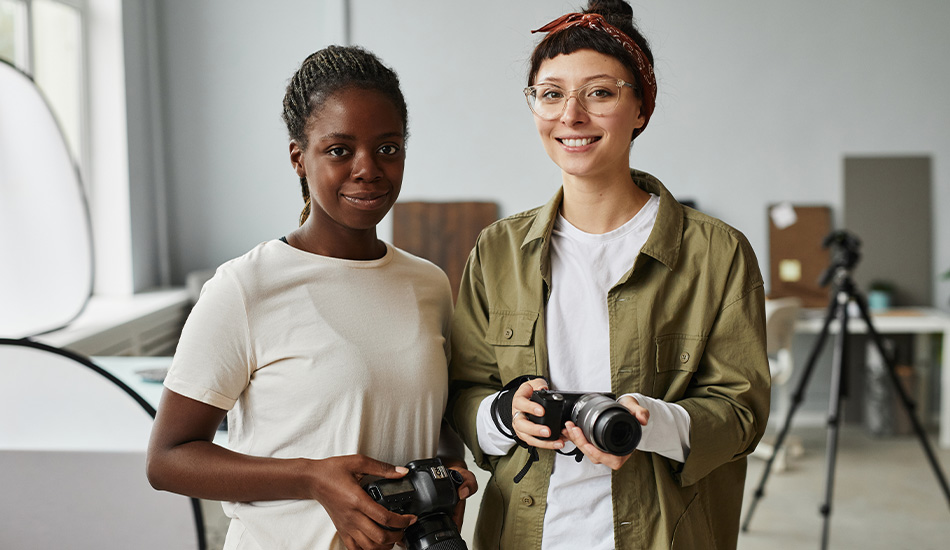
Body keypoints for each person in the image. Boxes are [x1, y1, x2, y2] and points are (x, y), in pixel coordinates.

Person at [446, 1, 770, 549]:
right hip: (525, 534)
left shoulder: (717, 254)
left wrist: (648, 424)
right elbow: (463, 390)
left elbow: (741, 412)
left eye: (599, 93)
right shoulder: (498, 250)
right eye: (550, 94)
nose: (571, 116)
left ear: (640, 109)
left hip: (664, 532)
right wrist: (502, 413)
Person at [147, 45, 476, 550]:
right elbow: (168, 458)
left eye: (387, 148)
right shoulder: (246, 287)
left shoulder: (428, 284)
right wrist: (311, 477)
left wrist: (450, 466)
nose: (368, 169)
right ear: (300, 158)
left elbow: (432, 422)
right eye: (340, 150)